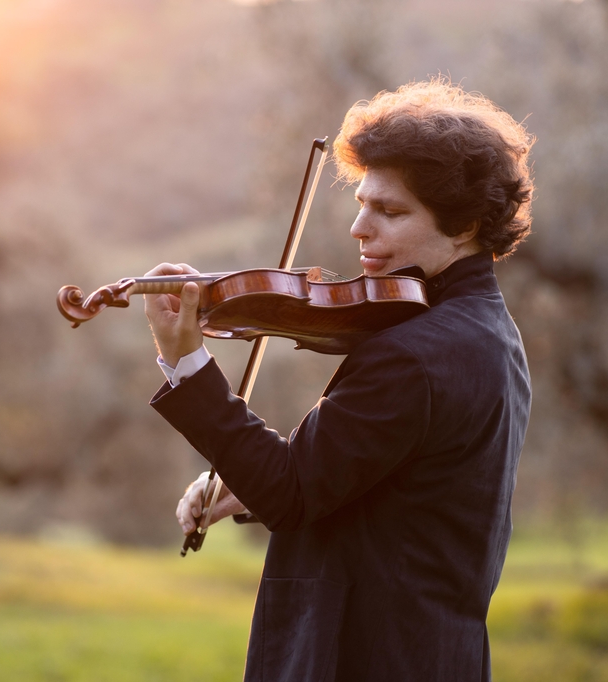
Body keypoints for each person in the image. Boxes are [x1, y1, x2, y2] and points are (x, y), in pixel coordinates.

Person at [144, 79, 534, 682]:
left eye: (391, 210)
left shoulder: (412, 355)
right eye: (362, 202)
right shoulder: (489, 335)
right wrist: (245, 485)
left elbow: (294, 493)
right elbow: (402, 488)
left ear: (465, 226)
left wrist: (188, 363)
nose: (359, 228)